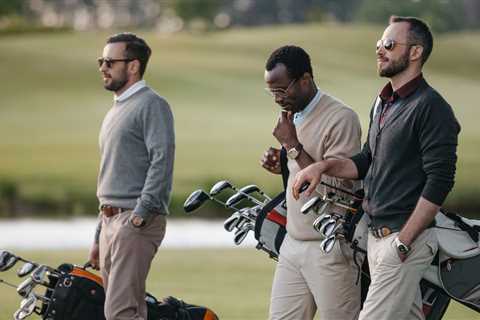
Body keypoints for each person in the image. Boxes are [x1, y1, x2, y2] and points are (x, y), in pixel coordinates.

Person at [293, 16, 460, 320]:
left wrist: (404, 242)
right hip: (376, 238)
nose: (380, 50)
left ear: (415, 53)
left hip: (404, 241)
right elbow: (366, 160)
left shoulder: (432, 108)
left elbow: (440, 181)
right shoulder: (383, 103)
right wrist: (322, 166)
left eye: (389, 44)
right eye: (379, 44)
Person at [260, 45, 363, 320]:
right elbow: (303, 169)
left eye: (282, 90)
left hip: (330, 247)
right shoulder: (293, 112)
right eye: (272, 92)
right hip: (293, 244)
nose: (277, 99)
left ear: (305, 79)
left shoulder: (342, 118)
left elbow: (338, 190)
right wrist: (283, 161)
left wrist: (292, 146)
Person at [88, 32, 175, 320]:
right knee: (125, 311)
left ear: (133, 66)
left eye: (110, 61)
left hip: (134, 221)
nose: (103, 67)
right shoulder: (117, 109)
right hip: (112, 221)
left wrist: (141, 213)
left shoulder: (152, 104)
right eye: (102, 61)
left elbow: (161, 160)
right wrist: (100, 234)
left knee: (121, 312)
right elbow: (111, 176)